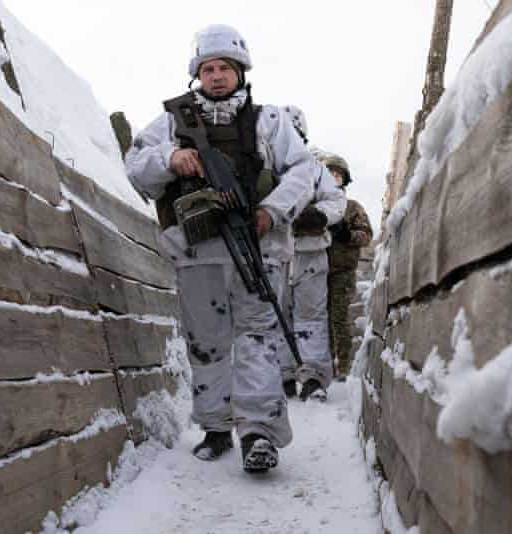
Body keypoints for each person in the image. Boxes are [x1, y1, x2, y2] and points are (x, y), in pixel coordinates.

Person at [125, 24, 315, 473]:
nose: (215, 76)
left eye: (224, 68)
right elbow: (135, 165)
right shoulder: (172, 121)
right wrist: (170, 158)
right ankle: (215, 428)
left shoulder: (270, 121)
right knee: (205, 343)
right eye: (207, 69)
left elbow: (304, 170)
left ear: (240, 71)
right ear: (198, 74)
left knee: (257, 339)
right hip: (198, 252)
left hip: (258, 249)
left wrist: (272, 211)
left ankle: (258, 433)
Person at [277, 106, 345, 402]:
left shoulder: (315, 169)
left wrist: (318, 215)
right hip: (275, 253)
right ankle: (283, 375)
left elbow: (336, 201)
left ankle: (314, 378)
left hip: (310, 252)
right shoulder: (262, 166)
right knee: (276, 315)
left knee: (311, 317)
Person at [324, 155, 373, 380]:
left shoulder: (352, 207)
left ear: (344, 179)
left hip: (342, 272)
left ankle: (342, 367)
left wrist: (347, 235)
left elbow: (366, 235)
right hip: (316, 271)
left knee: (339, 319)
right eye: (330, 174)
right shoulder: (317, 204)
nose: (334, 178)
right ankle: (324, 365)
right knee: (319, 320)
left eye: (338, 175)